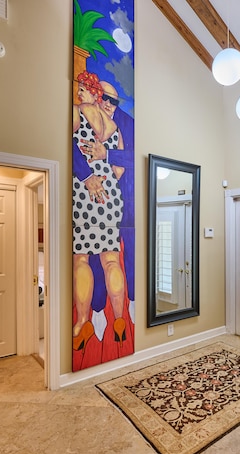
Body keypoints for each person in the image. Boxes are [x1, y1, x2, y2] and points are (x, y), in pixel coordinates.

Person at [72, 73, 133, 364]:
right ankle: (120, 320)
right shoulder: (114, 128)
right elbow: (120, 171)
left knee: (82, 259)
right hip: (110, 195)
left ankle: (82, 322)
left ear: (90, 92)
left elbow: (70, 147)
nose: (80, 92)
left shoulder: (77, 112)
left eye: (83, 88)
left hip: (86, 192)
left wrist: (87, 176)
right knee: (111, 259)